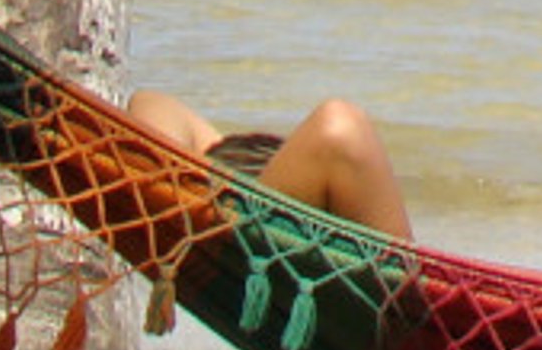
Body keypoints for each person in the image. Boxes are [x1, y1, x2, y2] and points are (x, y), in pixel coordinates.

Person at [127, 89, 414, 243]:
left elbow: (151, 104)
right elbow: (150, 102)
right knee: (339, 126)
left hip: (243, 200)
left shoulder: (217, 156)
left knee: (339, 127)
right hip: (240, 207)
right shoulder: (326, 144)